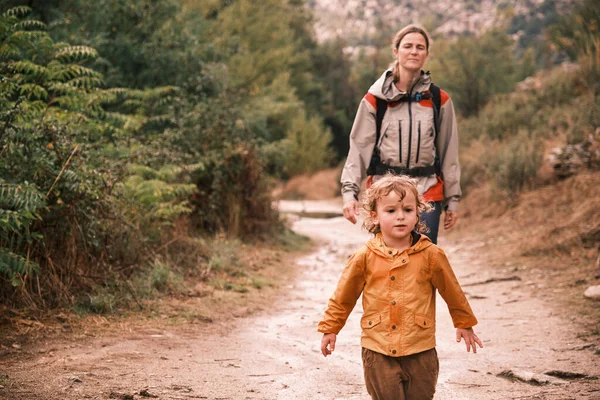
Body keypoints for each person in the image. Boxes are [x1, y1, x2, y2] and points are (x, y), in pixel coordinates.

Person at [319, 174, 482, 400]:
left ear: (418, 213)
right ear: (375, 216)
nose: (400, 217)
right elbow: (343, 297)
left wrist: (464, 323)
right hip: (378, 350)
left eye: (407, 210)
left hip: (421, 349)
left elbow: (452, 291)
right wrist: (330, 328)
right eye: (391, 211)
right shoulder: (363, 257)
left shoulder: (431, 255)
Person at [341, 24, 461, 244]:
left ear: (426, 54)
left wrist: (452, 200)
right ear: (396, 52)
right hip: (384, 192)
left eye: (420, 47)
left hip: (427, 192)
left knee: (423, 261)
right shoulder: (375, 100)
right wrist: (349, 194)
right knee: (387, 263)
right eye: (408, 46)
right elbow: (358, 149)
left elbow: (449, 153)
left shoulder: (439, 100)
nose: (414, 51)